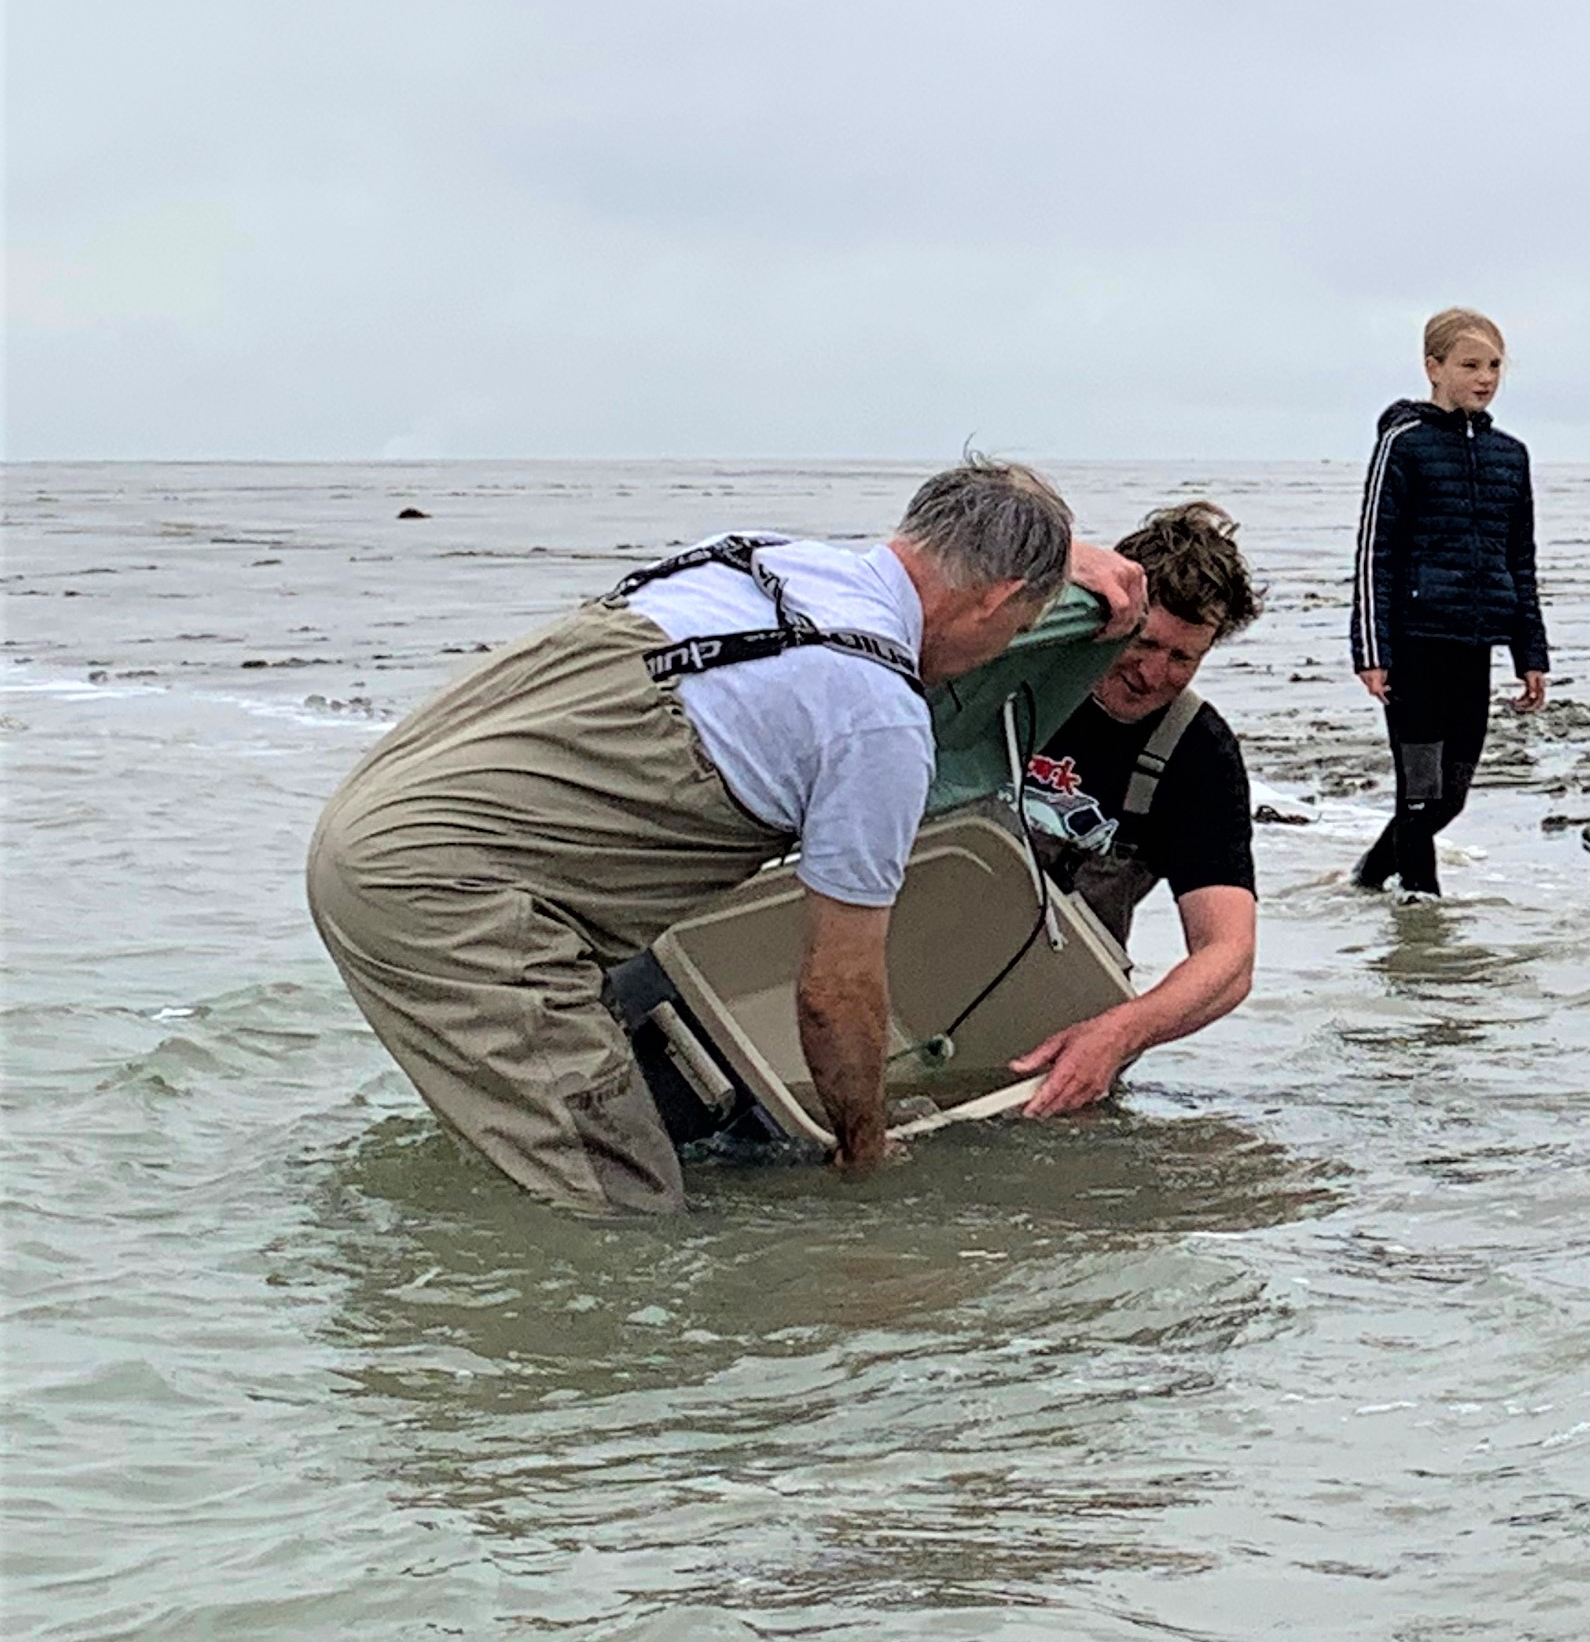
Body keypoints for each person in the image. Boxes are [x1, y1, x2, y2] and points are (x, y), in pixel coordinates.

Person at [304, 459, 1076, 1211]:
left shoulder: (753, 559)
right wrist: (863, 1151)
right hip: (447, 901)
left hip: (370, 820)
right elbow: (835, 992)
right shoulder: (878, 718)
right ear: (997, 598)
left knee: (534, 1164)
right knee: (622, 1212)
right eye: (1020, 626)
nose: (1005, 648)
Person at [1003, 501, 1268, 1113]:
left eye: (1183, 657)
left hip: (1063, 1033)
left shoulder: (1198, 754)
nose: (1153, 675)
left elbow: (1229, 958)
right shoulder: (1011, 668)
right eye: (1144, 643)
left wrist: (1123, 1030)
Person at [1354, 308, 1550, 896]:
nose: (1484, 377)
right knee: (1417, 793)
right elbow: (1374, 553)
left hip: (1474, 648)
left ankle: (1366, 879)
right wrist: (1370, 648)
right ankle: (1422, 928)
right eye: (1470, 365)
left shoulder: (1510, 456)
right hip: (1413, 650)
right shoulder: (1403, 446)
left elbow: (1522, 561)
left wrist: (1530, 654)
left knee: (1451, 796)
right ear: (1433, 367)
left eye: (1494, 366)